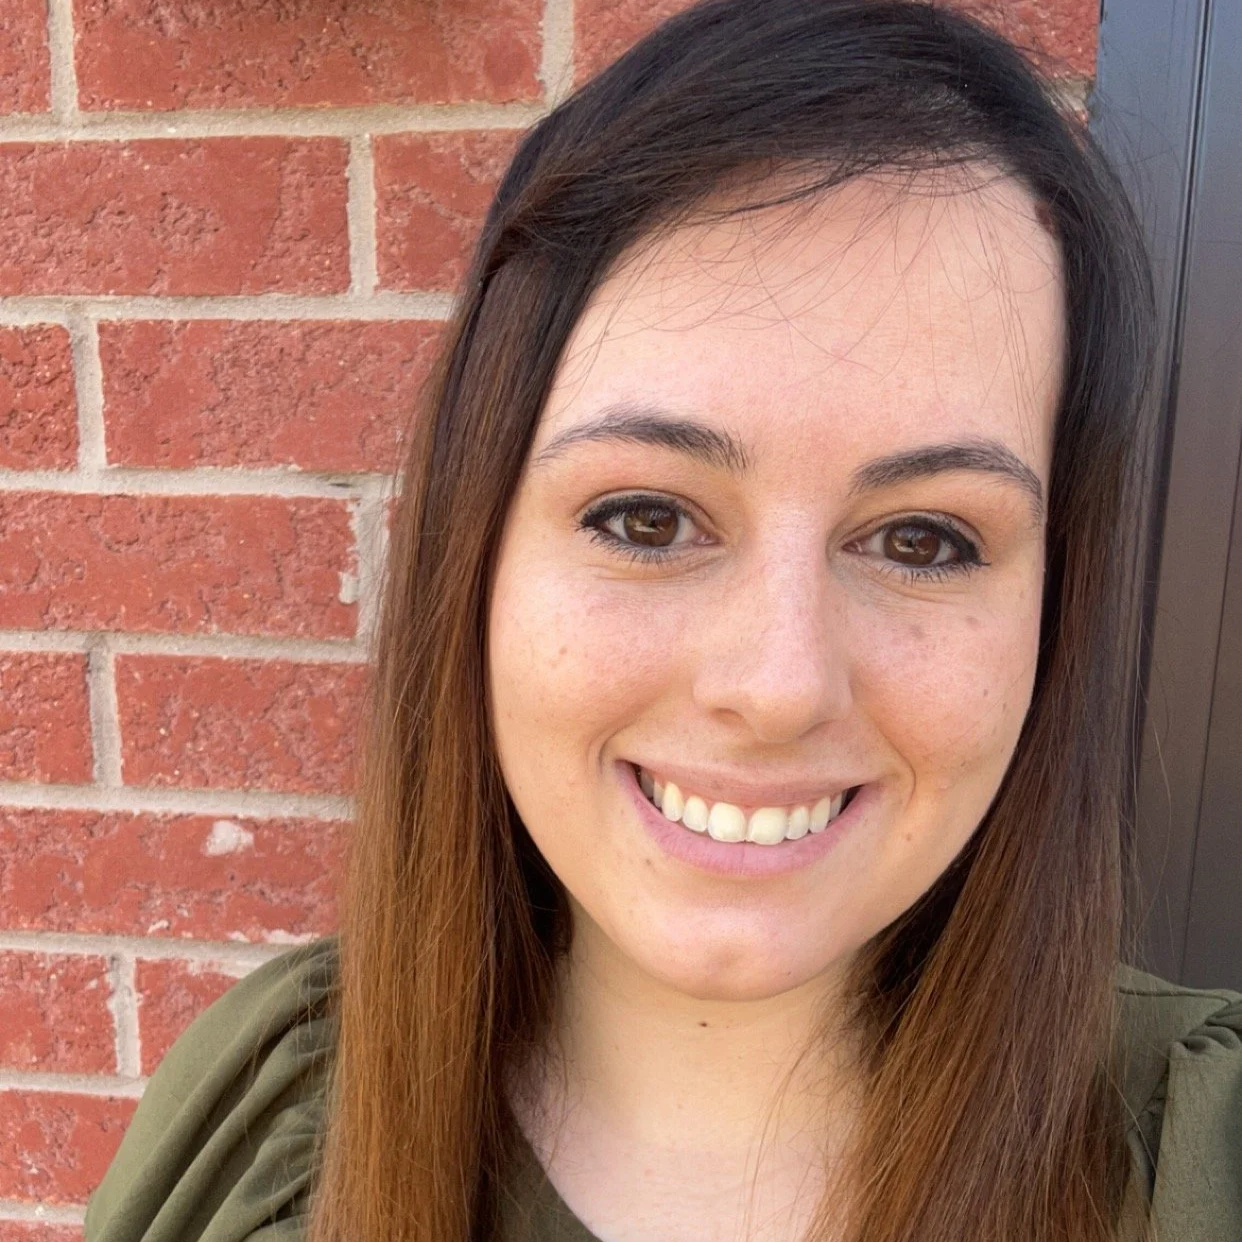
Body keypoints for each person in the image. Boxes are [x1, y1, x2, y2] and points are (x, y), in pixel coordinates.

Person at [83, 2, 1242, 1241]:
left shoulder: (1195, 1158)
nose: (781, 683)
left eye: (923, 540)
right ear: (475, 553)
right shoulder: (260, 1134)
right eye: (646, 519)